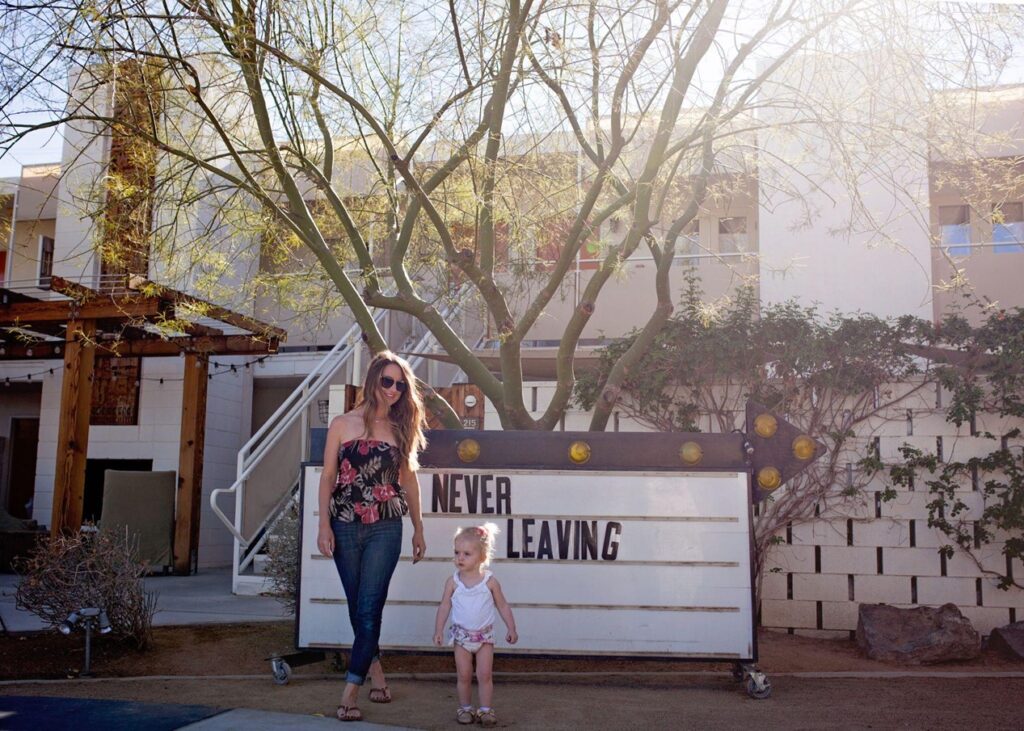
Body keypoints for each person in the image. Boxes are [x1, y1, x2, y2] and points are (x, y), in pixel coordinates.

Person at [317, 351, 428, 723]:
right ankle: (377, 673)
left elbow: (408, 481)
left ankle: (350, 692)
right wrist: (323, 524)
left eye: (401, 384)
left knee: (369, 608)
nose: (394, 390)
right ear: (373, 380)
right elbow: (327, 477)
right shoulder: (341, 424)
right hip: (345, 524)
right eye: (388, 382)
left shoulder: (399, 429)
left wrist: (419, 527)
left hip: (386, 526)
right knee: (357, 608)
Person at [433, 522, 518, 727]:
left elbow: (503, 605)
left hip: (484, 637)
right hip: (461, 637)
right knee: (463, 675)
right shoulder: (453, 582)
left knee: (484, 674)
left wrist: (511, 627)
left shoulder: (489, 582)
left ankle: (486, 710)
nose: (460, 558)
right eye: (457, 552)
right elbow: (444, 606)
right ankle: (465, 708)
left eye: (466, 554)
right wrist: (439, 630)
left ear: (481, 556)